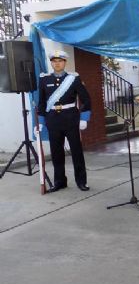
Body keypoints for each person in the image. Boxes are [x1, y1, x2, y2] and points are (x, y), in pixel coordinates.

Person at [36, 50, 92, 192]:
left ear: (64, 62)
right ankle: (60, 182)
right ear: (51, 63)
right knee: (56, 152)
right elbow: (41, 103)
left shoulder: (74, 79)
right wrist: (41, 122)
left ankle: (81, 181)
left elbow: (86, 100)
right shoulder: (44, 79)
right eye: (54, 61)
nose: (57, 63)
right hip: (53, 120)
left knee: (76, 152)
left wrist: (84, 118)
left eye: (60, 61)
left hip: (71, 119)